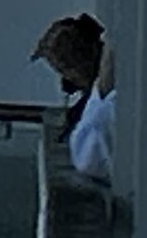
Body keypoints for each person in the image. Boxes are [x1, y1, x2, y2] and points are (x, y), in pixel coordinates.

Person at [31, 13, 115, 183]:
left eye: (65, 69)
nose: (67, 79)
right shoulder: (92, 106)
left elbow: (88, 159)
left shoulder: (98, 109)